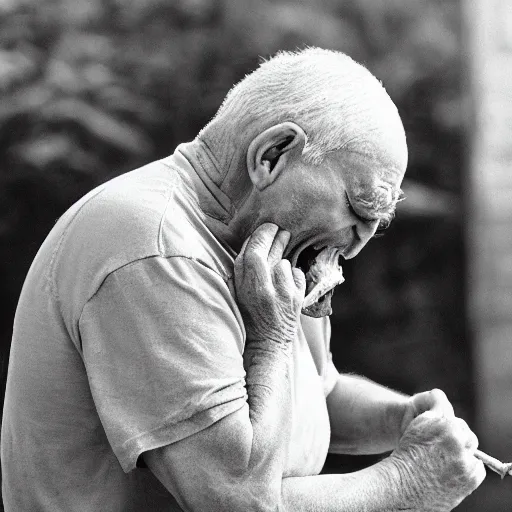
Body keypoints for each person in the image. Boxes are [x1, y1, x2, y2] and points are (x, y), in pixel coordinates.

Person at [1, 48, 484, 511]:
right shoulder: (153, 251)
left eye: (376, 226)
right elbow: (237, 499)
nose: (356, 246)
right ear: (273, 154)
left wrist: (405, 423)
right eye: (357, 210)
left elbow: (318, 396)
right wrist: (408, 481)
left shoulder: (277, 257)